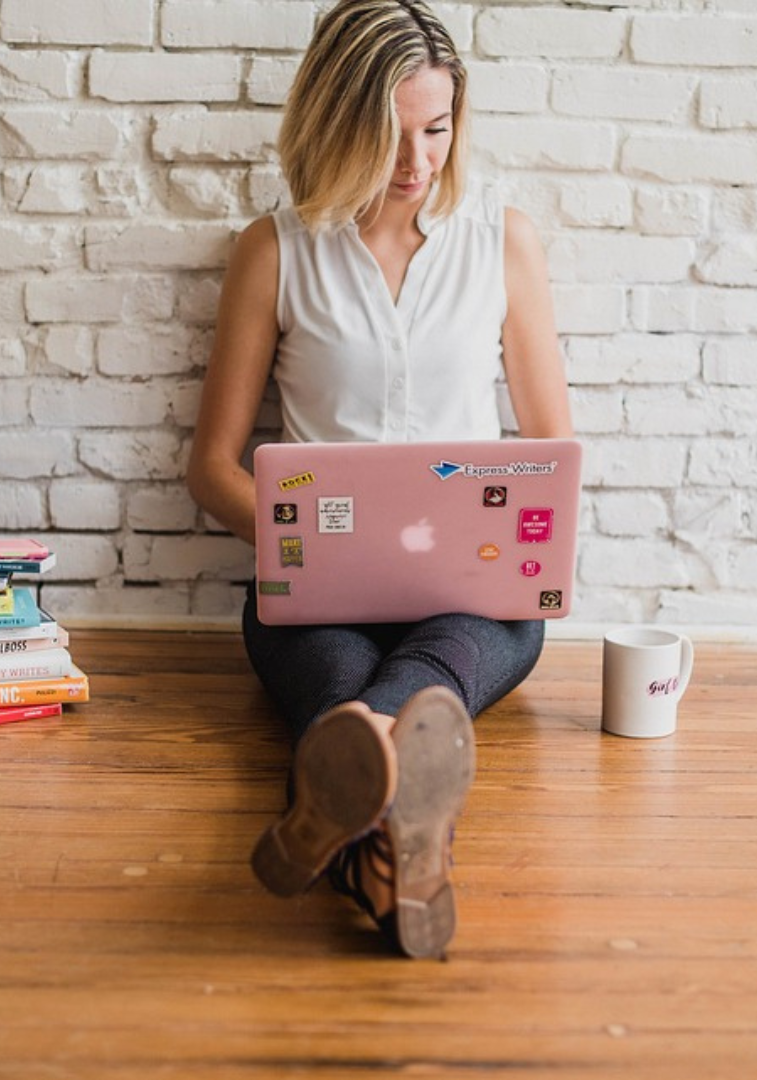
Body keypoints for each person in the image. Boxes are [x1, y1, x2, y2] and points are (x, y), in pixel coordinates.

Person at [186, 0, 573, 960]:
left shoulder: (501, 242)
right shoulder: (274, 251)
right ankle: (410, 849)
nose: (416, 160)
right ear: (334, 121)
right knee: (373, 689)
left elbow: (549, 452)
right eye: (387, 132)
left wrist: (531, 539)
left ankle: (344, 815)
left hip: (475, 601)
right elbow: (211, 469)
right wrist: (302, 547)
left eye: (436, 129)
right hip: (315, 600)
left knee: (368, 709)